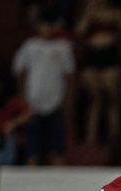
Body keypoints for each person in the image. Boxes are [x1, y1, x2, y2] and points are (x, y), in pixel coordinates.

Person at [12, 10, 75, 165]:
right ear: (38, 26)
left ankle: (59, 184)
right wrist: (22, 97)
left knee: (57, 149)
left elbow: (69, 76)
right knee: (32, 148)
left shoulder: (63, 47)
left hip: (55, 103)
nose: (46, 29)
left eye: (50, 25)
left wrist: (66, 101)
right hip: (33, 104)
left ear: (55, 27)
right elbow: (19, 71)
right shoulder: (29, 46)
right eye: (43, 25)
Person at [74, 0, 121, 144]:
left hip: (110, 54)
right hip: (92, 55)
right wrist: (89, 13)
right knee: (94, 99)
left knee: (112, 97)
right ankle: (90, 139)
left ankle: (113, 138)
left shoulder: (117, 12)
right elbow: (79, 31)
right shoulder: (89, 11)